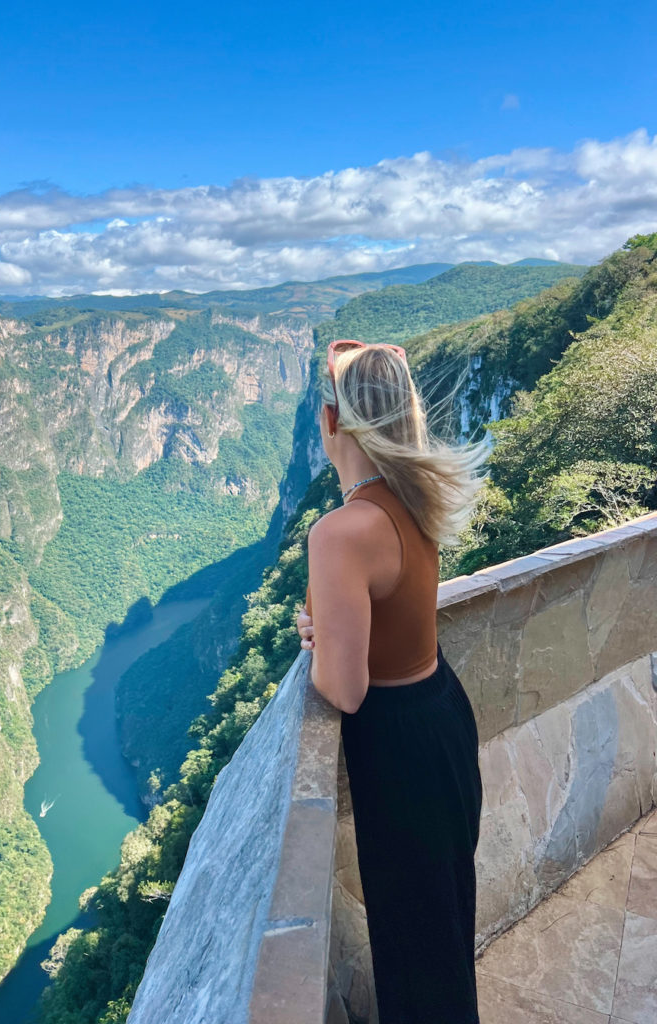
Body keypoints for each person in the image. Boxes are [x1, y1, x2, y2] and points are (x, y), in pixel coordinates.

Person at [295, 339, 491, 1024]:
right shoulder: (417, 493)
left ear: (330, 423)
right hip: (440, 706)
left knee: (413, 940)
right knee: (442, 919)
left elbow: (343, 690)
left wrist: (318, 636)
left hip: (400, 744)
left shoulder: (342, 533)